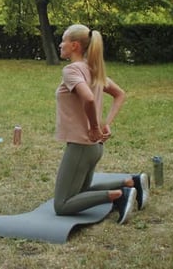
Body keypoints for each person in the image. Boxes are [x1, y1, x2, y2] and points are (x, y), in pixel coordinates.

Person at [54, 24, 149, 224]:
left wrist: (97, 127)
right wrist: (107, 124)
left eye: (63, 40)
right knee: (82, 191)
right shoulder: (92, 69)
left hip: (81, 146)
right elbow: (120, 94)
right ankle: (133, 182)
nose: (60, 44)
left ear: (74, 45)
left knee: (62, 205)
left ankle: (121, 195)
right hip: (94, 148)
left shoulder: (71, 70)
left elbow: (88, 99)